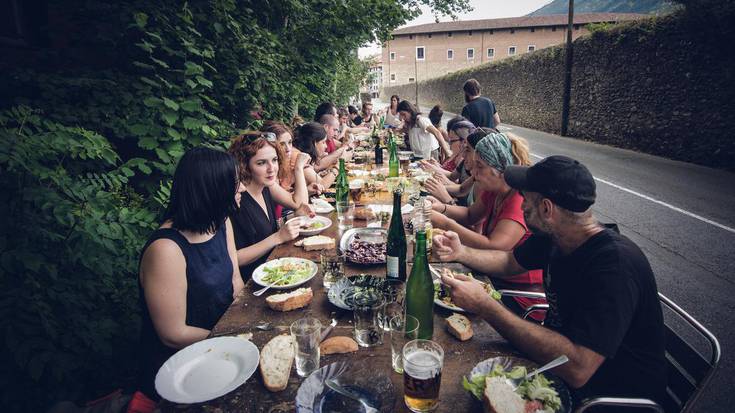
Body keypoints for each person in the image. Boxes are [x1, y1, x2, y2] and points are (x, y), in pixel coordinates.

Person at [434, 155, 666, 405]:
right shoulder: (556, 234)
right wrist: (460, 253)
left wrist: (485, 306)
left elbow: (578, 369)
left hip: (605, 399)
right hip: (554, 368)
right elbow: (509, 262)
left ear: (546, 209)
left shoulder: (614, 266)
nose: (522, 206)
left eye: (526, 199)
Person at [134, 147, 245, 404]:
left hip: (228, 348)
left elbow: (235, 281)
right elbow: (172, 333)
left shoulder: (220, 222)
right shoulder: (166, 249)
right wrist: (233, 339)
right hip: (182, 371)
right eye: (235, 184)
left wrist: (245, 325)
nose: (240, 190)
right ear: (213, 190)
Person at [430, 131, 544, 317]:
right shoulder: (494, 190)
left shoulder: (518, 200)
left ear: (501, 169)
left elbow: (496, 247)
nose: (473, 173)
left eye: (480, 167)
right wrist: (441, 208)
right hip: (493, 276)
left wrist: (445, 223)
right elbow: (470, 215)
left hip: (516, 294)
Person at [228, 132, 314, 281]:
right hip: (254, 282)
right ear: (244, 165)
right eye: (261, 163)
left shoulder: (266, 187)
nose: (271, 168)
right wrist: (278, 237)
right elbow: (234, 259)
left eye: (274, 160)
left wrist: (294, 216)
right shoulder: (237, 200)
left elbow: (267, 228)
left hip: (278, 270)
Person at [260, 121, 323, 196]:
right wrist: (298, 167)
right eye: (282, 144)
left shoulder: (284, 163)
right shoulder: (270, 169)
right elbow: (292, 203)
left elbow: (285, 199)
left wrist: (307, 191)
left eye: (290, 142)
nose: (288, 149)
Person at [293, 121, 340, 190]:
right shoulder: (300, 158)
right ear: (314, 143)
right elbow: (323, 185)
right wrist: (337, 167)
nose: (326, 146)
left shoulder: (305, 155)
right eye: (323, 142)